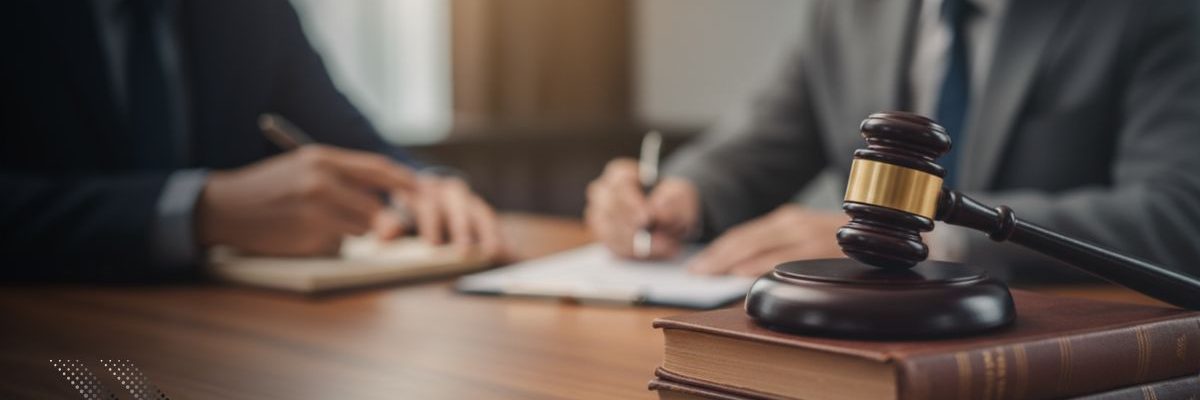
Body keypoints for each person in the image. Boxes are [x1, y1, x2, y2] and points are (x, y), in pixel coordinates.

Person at [587, 0, 1200, 281]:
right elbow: (765, 139)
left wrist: (925, 236)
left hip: (1049, 347)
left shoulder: (1152, 12)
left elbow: (1178, 214)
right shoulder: (851, 10)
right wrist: (681, 195)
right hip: (872, 341)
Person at [0, 0, 501, 281]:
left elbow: (348, 138)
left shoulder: (249, 11)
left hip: (234, 336)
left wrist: (423, 186)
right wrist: (199, 210)